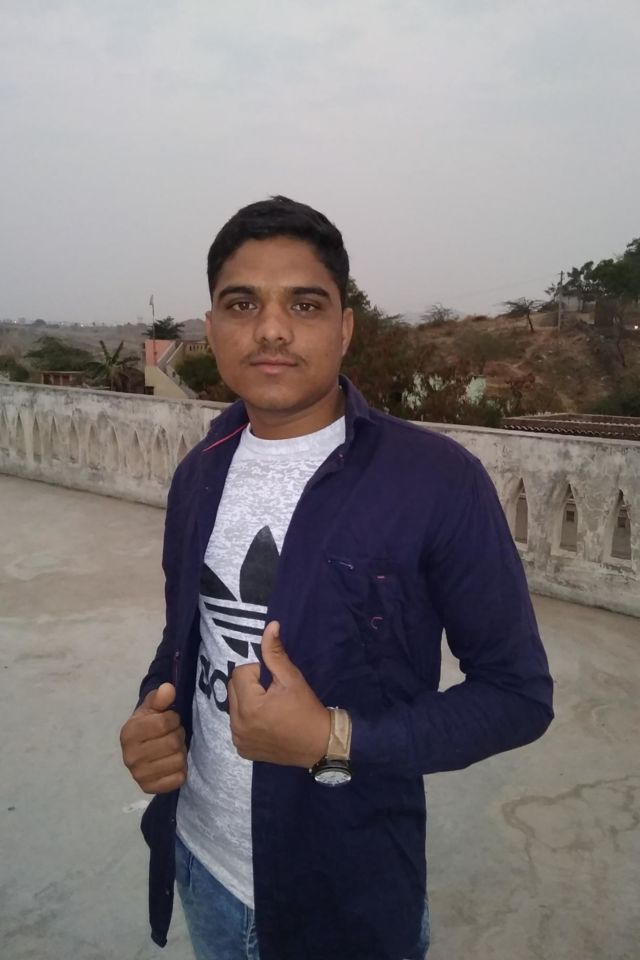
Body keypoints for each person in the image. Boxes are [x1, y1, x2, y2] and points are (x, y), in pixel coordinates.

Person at [120, 196, 553, 960]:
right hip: (201, 860)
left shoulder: (435, 481)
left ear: (344, 327)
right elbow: (189, 633)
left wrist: (334, 738)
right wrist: (153, 715)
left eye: (305, 304)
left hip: (345, 891)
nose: (271, 329)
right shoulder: (200, 472)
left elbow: (517, 696)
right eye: (242, 304)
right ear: (212, 329)